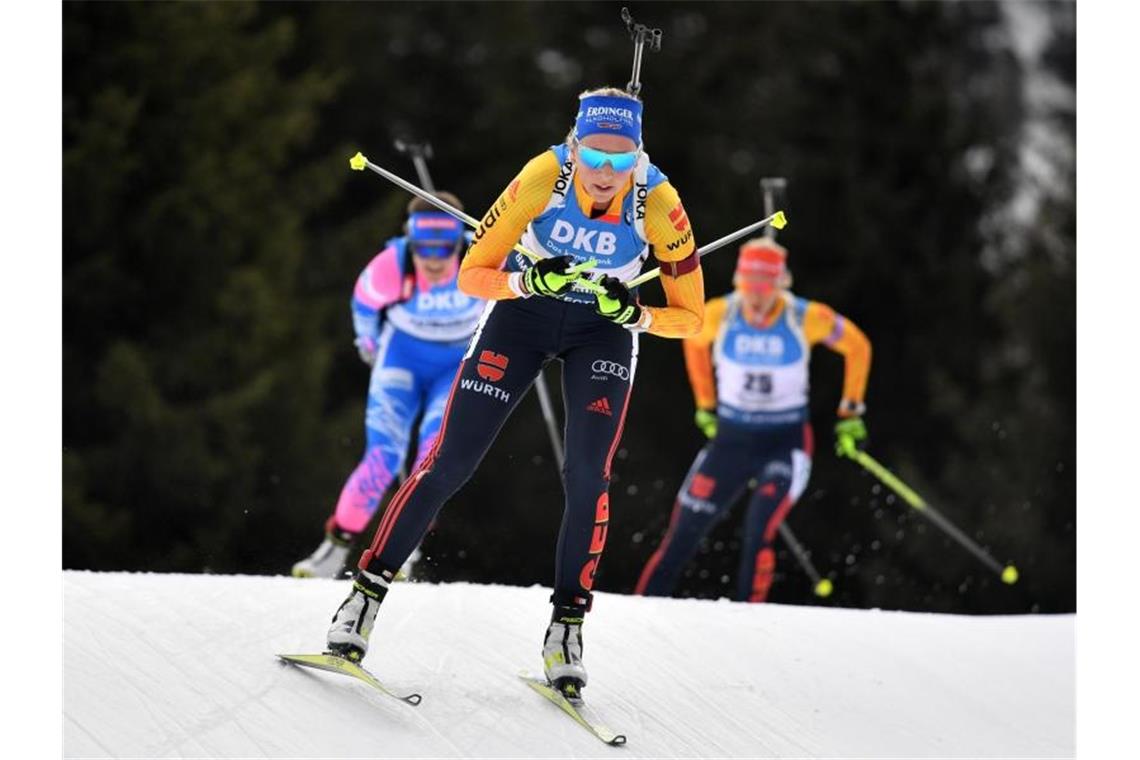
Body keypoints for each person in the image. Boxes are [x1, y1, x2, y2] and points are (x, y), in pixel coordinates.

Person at [322, 86, 705, 697]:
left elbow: (693, 318)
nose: (606, 173)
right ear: (574, 147)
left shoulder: (658, 202)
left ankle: (566, 630)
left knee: (587, 477)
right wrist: (526, 279)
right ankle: (362, 601)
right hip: (521, 319)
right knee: (449, 463)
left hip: (601, 333)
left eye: (621, 158)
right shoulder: (542, 177)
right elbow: (474, 276)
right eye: (595, 157)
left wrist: (635, 314)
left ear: (638, 156)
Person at [635, 236, 871, 602]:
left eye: (765, 289)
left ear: (781, 284)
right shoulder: (719, 314)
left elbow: (857, 346)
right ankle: (639, 612)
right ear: (738, 283)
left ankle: (751, 621)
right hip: (731, 439)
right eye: (749, 288)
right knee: (683, 532)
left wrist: (850, 410)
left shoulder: (804, 317)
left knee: (759, 526)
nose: (756, 299)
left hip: (785, 442)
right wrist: (706, 403)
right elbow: (693, 341)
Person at [292, 192, 484, 578]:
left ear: (459, 239)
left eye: (443, 245)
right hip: (402, 361)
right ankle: (334, 549)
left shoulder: (479, 259)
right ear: (409, 238)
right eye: (423, 245)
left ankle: (402, 550)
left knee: (431, 459)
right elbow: (363, 305)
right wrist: (368, 343)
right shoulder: (389, 267)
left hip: (455, 365)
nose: (432, 259)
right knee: (383, 457)